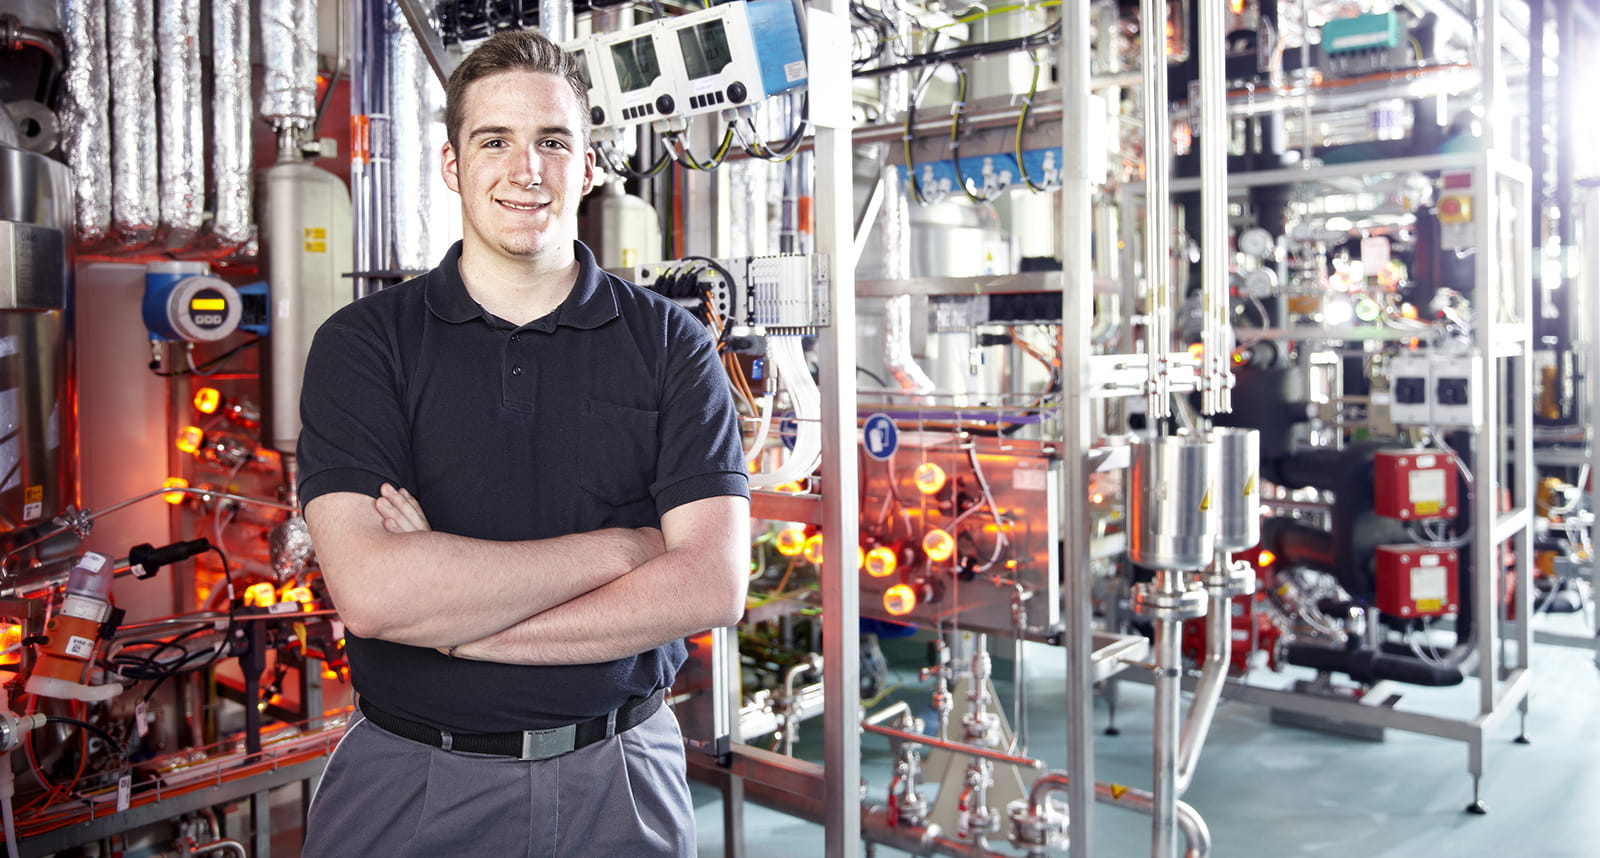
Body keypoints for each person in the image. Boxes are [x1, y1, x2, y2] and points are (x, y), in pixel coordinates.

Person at [295, 28, 750, 858]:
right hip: (411, 775)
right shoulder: (364, 344)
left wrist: (454, 624)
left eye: (552, 141)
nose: (525, 169)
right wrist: (625, 547)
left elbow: (711, 586)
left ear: (589, 165)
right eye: (494, 140)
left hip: (620, 776)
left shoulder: (670, 343)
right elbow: (374, 594)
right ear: (452, 165)